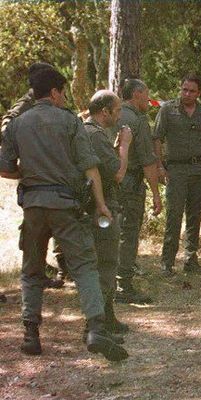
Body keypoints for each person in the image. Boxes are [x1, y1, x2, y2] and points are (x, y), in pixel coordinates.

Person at [0, 68, 127, 360]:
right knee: (84, 265)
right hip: (65, 204)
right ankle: (96, 328)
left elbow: (5, 167)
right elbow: (89, 166)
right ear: (55, 92)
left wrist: (30, 174)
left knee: (31, 271)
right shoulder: (70, 122)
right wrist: (101, 204)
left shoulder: (18, 124)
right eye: (63, 92)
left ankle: (30, 334)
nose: (64, 97)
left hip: (32, 206)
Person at [1, 62, 68, 288]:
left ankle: (44, 267)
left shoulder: (46, 98)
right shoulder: (27, 101)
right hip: (34, 169)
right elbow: (7, 126)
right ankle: (33, 269)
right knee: (33, 223)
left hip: (47, 168)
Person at [153, 75, 201, 276]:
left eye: (192, 91)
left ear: (198, 93)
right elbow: (156, 138)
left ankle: (191, 260)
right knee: (174, 215)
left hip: (199, 169)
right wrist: (159, 166)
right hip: (176, 170)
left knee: (195, 215)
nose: (187, 94)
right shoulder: (168, 110)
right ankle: (167, 262)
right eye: (184, 89)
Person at [84, 90, 132, 333]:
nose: (120, 114)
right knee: (106, 263)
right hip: (101, 208)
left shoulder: (85, 132)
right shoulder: (95, 135)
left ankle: (104, 317)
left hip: (87, 207)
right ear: (105, 112)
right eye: (118, 110)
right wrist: (124, 146)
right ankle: (101, 321)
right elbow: (117, 174)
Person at [115, 78, 162, 304]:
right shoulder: (138, 120)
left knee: (108, 233)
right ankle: (123, 285)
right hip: (130, 184)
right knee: (128, 233)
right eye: (146, 94)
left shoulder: (107, 114)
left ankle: (105, 281)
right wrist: (155, 193)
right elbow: (147, 161)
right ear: (136, 94)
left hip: (106, 183)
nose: (149, 99)